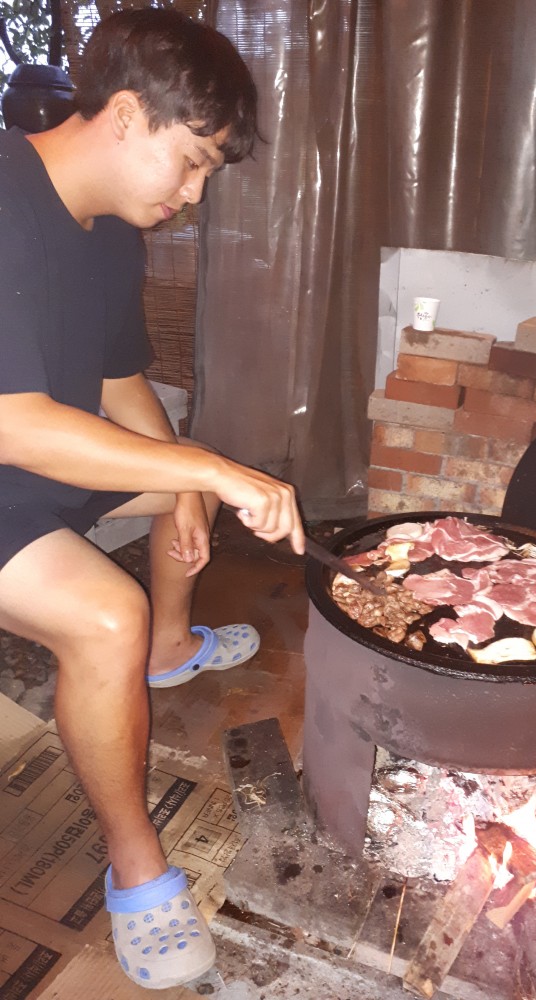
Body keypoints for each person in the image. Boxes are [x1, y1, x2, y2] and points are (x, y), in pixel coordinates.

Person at [0, 7, 304, 990]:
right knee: (106, 616)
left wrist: (184, 473)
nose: (194, 191)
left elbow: (121, 378)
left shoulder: (110, 235)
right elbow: (12, 424)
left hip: (34, 465)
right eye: (193, 161)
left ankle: (171, 651)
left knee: (181, 473)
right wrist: (203, 471)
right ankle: (137, 870)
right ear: (127, 115)